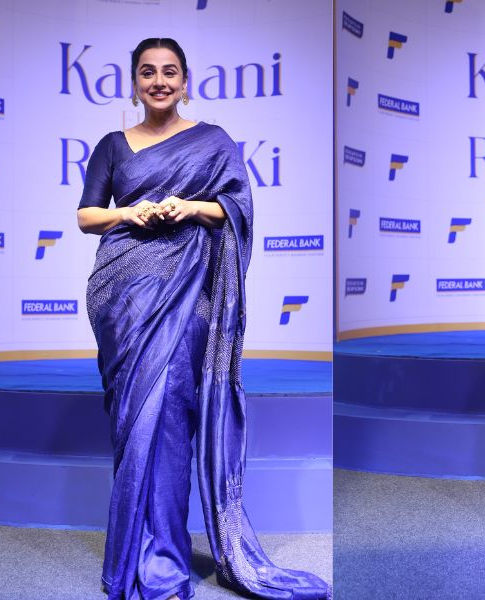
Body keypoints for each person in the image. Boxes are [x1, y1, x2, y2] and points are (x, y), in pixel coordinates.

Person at [77, 38, 329, 599]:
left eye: (169, 72)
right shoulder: (112, 146)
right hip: (123, 296)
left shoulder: (213, 142)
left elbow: (237, 207)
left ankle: (163, 559)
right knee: (132, 420)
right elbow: (87, 215)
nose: (159, 81)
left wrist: (191, 207)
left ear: (185, 81)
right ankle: (133, 552)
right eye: (148, 72)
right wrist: (131, 212)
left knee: (169, 414)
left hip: (187, 295)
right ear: (134, 83)